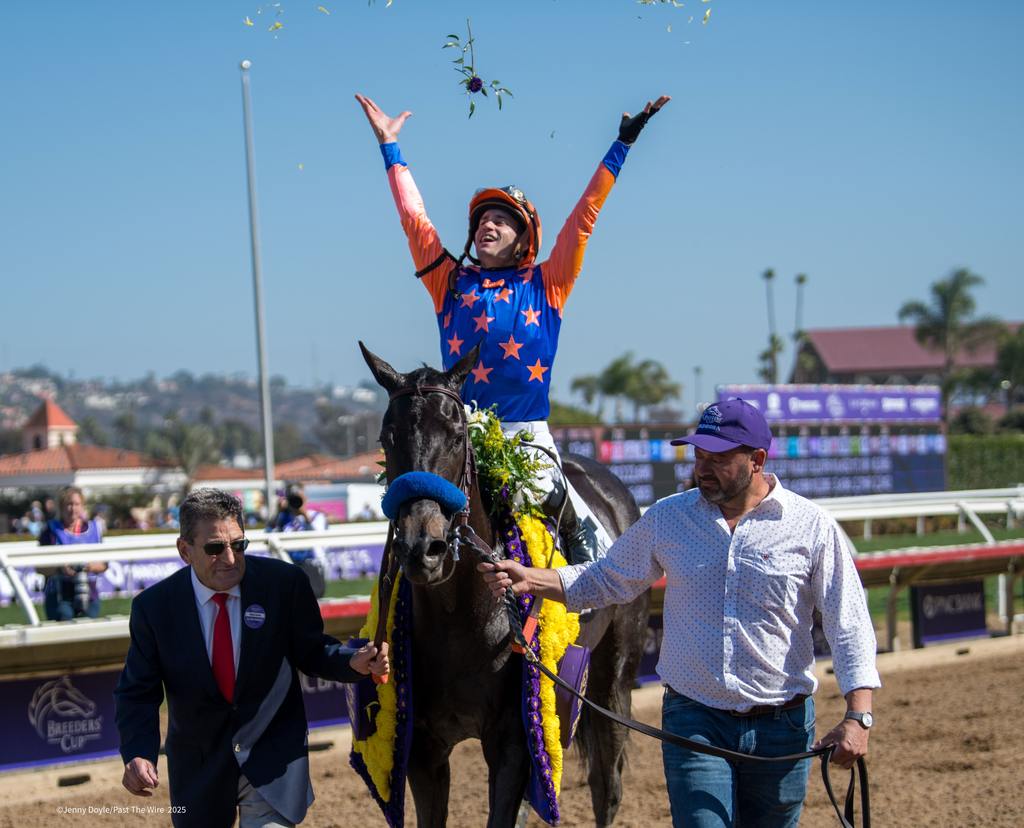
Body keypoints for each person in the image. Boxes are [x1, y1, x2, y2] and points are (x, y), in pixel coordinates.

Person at [479, 399, 881, 828]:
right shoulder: (670, 517)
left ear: (758, 460)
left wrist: (858, 716)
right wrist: (533, 578)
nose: (703, 468)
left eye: (719, 459)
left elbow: (849, 624)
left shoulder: (812, 526)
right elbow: (607, 578)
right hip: (695, 723)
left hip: (783, 730)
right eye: (699, 456)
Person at [355, 91, 669, 564]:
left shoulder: (549, 281)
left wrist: (620, 146)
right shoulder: (449, 281)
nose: (488, 225)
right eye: (482, 219)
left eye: (502, 220)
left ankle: (595, 579)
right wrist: (390, 149)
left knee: (580, 535)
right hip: (462, 434)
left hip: (528, 438)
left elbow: (584, 219)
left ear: (524, 238)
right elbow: (414, 221)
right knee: (412, 524)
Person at [115, 488, 388, 827]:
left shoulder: (284, 584)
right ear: (185, 550)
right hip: (199, 771)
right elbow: (138, 692)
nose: (230, 558)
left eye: (238, 544)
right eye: (215, 548)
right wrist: (139, 751)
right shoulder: (153, 608)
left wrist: (352, 662)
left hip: (273, 763)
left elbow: (313, 651)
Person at [38, 486, 109, 620]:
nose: (72, 509)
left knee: (90, 633)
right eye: (68, 504)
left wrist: (88, 567)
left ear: (82, 506)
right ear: (61, 506)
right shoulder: (50, 531)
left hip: (89, 593)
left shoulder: (94, 529)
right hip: (59, 595)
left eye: (76, 504)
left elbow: (104, 564)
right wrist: (60, 568)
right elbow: (39, 567)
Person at [269, 483, 329, 597]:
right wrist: (278, 513)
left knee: (312, 598)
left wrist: (305, 515)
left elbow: (319, 538)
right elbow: (268, 534)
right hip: (287, 565)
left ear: (305, 497)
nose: (296, 500)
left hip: (311, 566)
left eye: (299, 496)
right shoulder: (283, 518)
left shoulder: (316, 516)